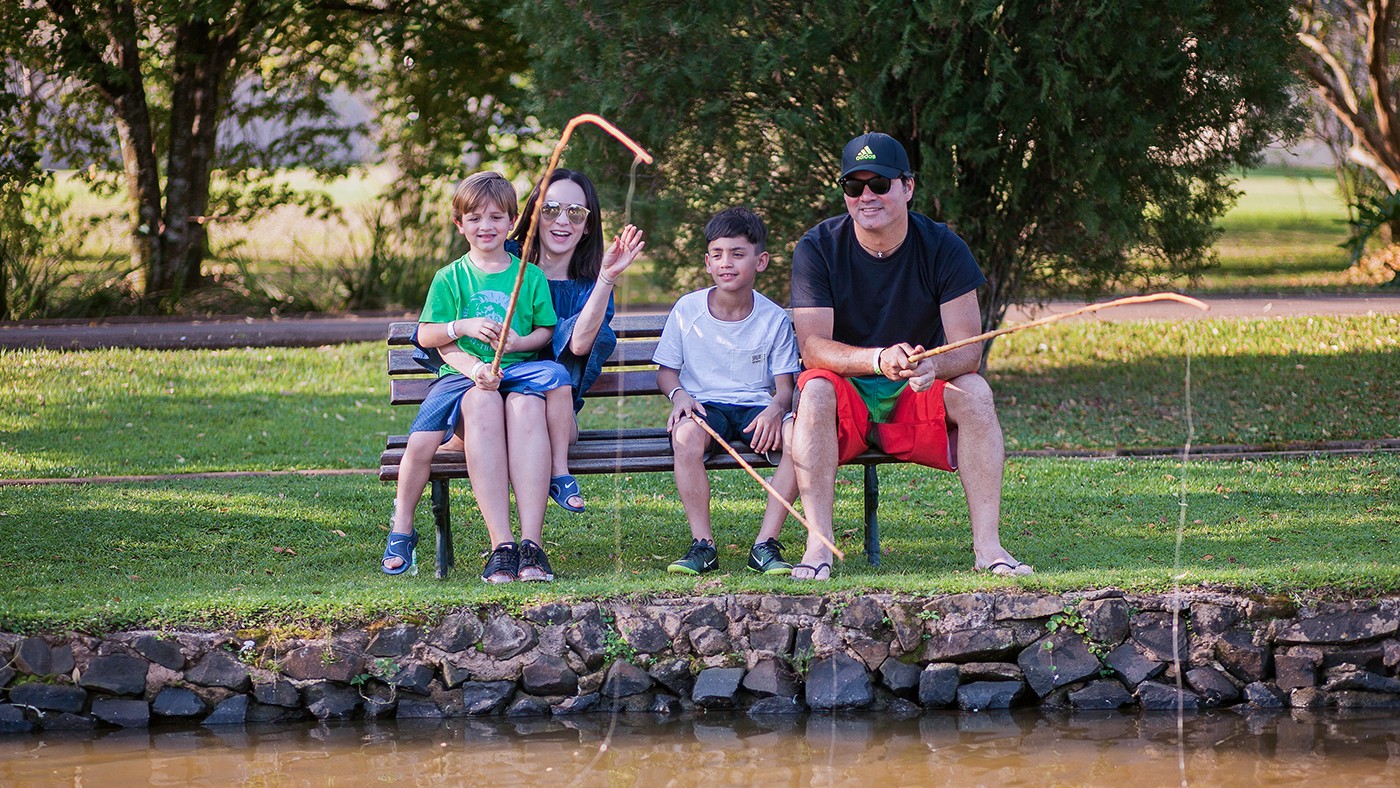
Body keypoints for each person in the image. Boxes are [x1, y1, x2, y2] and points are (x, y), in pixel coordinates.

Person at [788, 132, 1033, 580]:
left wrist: (933, 366)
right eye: (853, 186)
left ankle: (989, 549)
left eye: (879, 184)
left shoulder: (943, 247)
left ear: (907, 186)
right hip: (848, 394)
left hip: (915, 393)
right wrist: (878, 359)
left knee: (975, 392)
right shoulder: (817, 247)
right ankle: (818, 548)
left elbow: (968, 349)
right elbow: (813, 349)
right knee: (816, 390)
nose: (866, 196)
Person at [383, 171, 568, 583]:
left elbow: (546, 332)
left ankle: (531, 547)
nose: (486, 226)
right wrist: (463, 329)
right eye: (475, 218)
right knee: (421, 442)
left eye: (497, 217)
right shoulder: (451, 277)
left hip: (518, 376)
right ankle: (409, 529)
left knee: (532, 400)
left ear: (512, 222)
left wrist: (518, 343)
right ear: (459, 223)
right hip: (463, 380)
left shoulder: (528, 276)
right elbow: (428, 335)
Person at [654, 207, 802, 575]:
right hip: (706, 407)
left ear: (760, 260)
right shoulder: (688, 310)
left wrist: (774, 410)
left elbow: (784, 389)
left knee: (800, 436)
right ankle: (702, 545)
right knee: (685, 437)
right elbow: (666, 373)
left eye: (738, 254)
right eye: (718, 254)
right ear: (707, 262)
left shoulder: (773, 318)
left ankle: (764, 544)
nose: (727, 263)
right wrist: (680, 397)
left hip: (756, 410)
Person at [508, 169, 646, 514]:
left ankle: (528, 542)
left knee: (534, 411)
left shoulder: (591, 287)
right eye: (551, 209)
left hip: (557, 417)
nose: (562, 221)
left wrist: (606, 278)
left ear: (588, 225)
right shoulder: (507, 262)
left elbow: (581, 344)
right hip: (496, 400)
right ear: (535, 214)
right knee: (516, 411)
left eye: (576, 213)